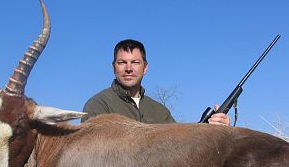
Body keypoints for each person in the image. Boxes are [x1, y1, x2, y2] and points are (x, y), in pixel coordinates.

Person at [81, 39, 230, 126]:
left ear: (145, 68)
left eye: (135, 62)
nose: (128, 68)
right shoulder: (98, 105)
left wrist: (213, 131)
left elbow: (181, 149)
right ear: (113, 67)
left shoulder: (160, 112)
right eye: (122, 62)